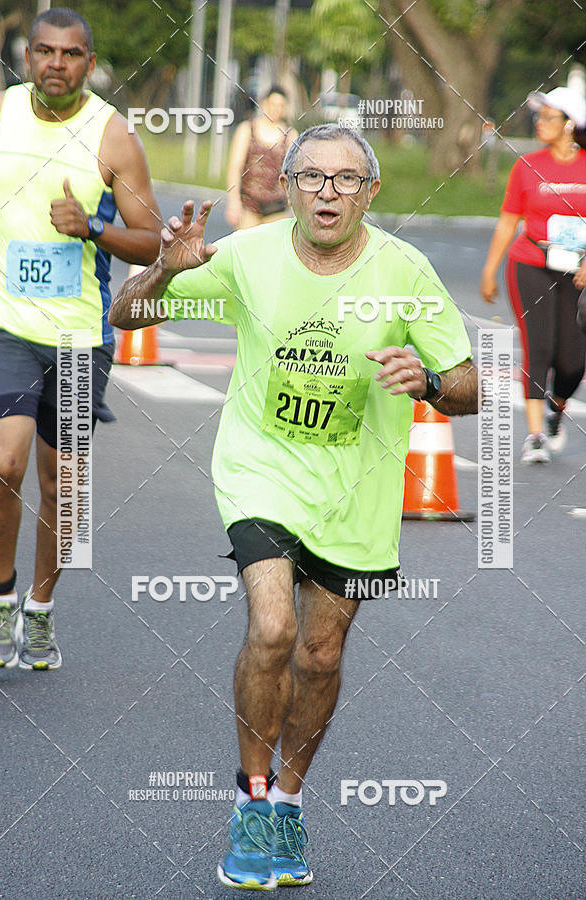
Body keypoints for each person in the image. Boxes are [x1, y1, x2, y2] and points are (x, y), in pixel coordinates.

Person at [110, 124, 478, 891]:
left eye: (346, 179)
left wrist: (431, 382)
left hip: (356, 488)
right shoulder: (248, 255)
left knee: (319, 655)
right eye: (311, 176)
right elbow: (126, 317)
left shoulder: (404, 272)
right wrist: (162, 271)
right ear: (287, 187)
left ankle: (287, 800)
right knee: (273, 627)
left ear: (371, 192)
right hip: (261, 470)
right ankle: (251, 802)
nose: (327, 192)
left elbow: (471, 384)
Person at [0, 7, 161, 670]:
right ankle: (0, 594)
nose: (55, 63)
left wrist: (91, 227)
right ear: (26, 56)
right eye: (44, 51)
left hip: (78, 339)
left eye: (70, 53)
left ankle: (40, 607)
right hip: (2, 324)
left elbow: (152, 240)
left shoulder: (113, 136)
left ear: (89, 62)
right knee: (3, 463)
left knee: (63, 488)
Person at [481, 86, 586, 464]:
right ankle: (535, 435)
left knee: (573, 361)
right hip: (530, 263)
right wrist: (489, 270)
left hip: (578, 272)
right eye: (538, 116)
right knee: (538, 346)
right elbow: (508, 221)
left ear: (570, 124)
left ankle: (557, 407)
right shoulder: (527, 165)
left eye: (548, 117)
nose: (539, 122)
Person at [226, 85, 298, 230]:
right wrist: (233, 201)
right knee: (246, 242)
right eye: (273, 104)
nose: (276, 109)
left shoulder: (290, 136)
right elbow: (235, 167)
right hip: (249, 205)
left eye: (280, 106)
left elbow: (294, 174)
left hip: (276, 208)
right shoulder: (247, 130)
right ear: (265, 104)